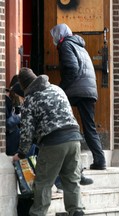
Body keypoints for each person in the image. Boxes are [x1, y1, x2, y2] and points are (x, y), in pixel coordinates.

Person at [12, 67, 84, 216]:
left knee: (43, 183)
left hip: (54, 142)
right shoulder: (57, 89)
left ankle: (38, 213)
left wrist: (21, 154)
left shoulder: (30, 99)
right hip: (75, 138)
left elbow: (26, 132)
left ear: (24, 85)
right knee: (72, 180)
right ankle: (77, 211)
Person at [50, 23, 106, 170]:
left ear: (59, 34)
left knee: (61, 119)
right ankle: (100, 160)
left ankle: (68, 159)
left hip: (77, 89)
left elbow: (72, 68)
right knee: (89, 126)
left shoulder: (66, 45)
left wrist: (61, 89)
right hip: (88, 90)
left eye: (54, 35)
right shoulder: (79, 45)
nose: (53, 39)